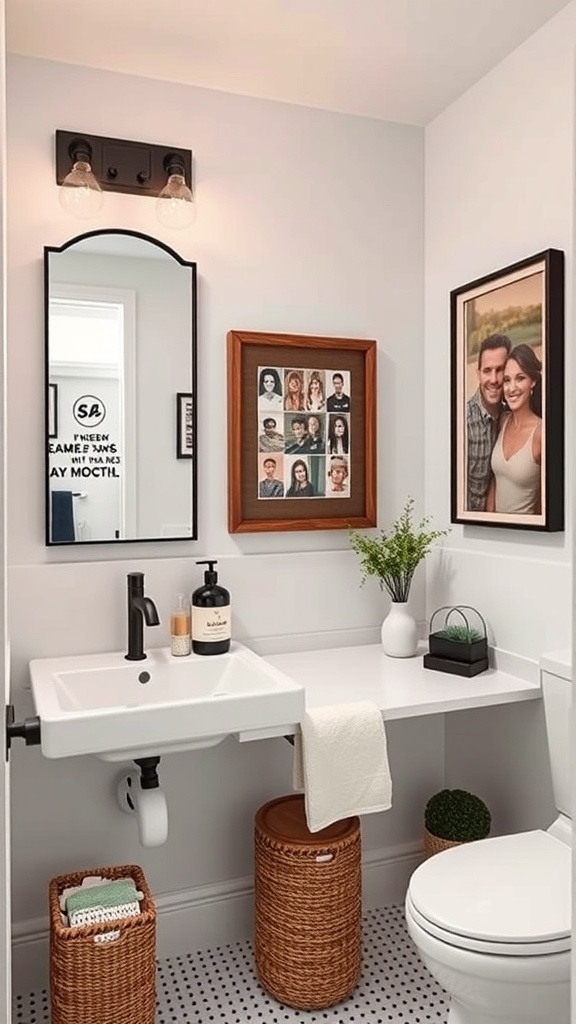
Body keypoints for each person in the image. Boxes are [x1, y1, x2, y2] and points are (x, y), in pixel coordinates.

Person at [486, 344, 542, 515]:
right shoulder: (503, 420)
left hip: (524, 536)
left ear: (533, 381)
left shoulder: (541, 433)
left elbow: (545, 503)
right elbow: (496, 481)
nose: (511, 388)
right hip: (496, 532)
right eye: (507, 380)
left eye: (520, 378)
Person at [466, 333, 512, 511]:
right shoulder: (465, 422)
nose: (493, 379)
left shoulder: (510, 416)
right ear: (478, 374)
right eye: (487, 371)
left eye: (500, 370)